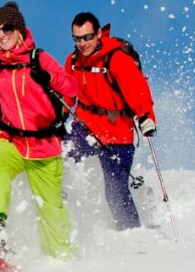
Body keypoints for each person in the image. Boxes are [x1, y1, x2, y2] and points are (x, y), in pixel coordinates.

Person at [0, 2, 78, 259]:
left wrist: (51, 78)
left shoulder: (39, 59)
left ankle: (64, 259)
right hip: (11, 141)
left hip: (44, 145)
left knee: (51, 208)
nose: (2, 34)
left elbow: (71, 89)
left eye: (8, 28)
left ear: (20, 30)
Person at [64, 12, 157, 230]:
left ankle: (130, 233)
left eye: (87, 37)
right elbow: (65, 93)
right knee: (57, 162)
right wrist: (55, 117)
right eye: (77, 39)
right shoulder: (73, 61)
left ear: (98, 33)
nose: (83, 43)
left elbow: (138, 91)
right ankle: (64, 219)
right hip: (84, 127)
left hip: (117, 132)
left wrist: (146, 117)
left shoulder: (116, 58)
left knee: (115, 189)